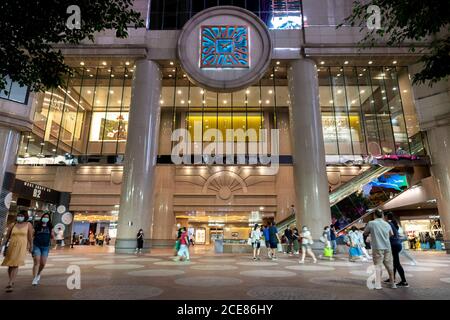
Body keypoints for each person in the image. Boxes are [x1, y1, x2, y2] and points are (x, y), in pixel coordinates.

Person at [363, 209, 396, 290]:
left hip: (377, 247)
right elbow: (391, 234)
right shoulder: (387, 224)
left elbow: (365, 233)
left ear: (374, 215)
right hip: (387, 247)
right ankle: (393, 284)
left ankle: (378, 284)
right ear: (382, 215)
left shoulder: (371, 223)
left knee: (378, 266)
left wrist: (372, 234)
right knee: (389, 265)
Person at [1, 210, 33, 292]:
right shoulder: (13, 225)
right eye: (18, 215)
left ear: (25, 216)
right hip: (11, 246)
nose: (19, 217)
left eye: (21, 215)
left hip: (21, 247)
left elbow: (30, 237)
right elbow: (7, 237)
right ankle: (11, 279)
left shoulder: (28, 225)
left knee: (15, 264)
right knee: (10, 264)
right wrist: (2, 246)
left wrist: (31, 246)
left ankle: (10, 282)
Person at [384, 213, 409, 287]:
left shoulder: (388, 223)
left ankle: (404, 282)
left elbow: (390, 234)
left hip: (393, 245)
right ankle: (392, 278)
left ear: (385, 217)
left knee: (397, 263)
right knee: (394, 263)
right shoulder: (393, 223)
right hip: (397, 244)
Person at [31, 212, 53, 286]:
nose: (45, 218)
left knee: (43, 263)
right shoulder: (37, 226)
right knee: (36, 262)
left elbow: (52, 236)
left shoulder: (50, 227)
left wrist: (53, 239)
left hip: (45, 247)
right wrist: (30, 246)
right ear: (42, 218)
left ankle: (38, 274)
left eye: (47, 217)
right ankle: (34, 279)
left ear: (49, 219)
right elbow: (32, 236)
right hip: (36, 245)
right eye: (44, 217)